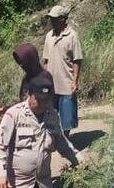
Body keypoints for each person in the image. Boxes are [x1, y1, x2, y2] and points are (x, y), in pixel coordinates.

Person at [0, 73, 79, 188]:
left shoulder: (51, 114)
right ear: (29, 95)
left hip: (42, 185)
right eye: (38, 99)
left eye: (46, 100)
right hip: (18, 187)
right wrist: (0, 174)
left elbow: (61, 142)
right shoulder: (14, 114)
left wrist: (78, 160)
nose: (42, 104)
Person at [43, 5, 84, 134]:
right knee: (51, 115)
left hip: (66, 82)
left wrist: (75, 81)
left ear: (63, 19)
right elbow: (46, 60)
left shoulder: (72, 36)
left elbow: (77, 60)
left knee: (67, 117)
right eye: (51, 19)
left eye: (54, 19)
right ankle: (54, 140)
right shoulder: (49, 36)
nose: (52, 21)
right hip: (51, 83)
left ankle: (66, 139)